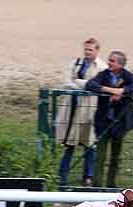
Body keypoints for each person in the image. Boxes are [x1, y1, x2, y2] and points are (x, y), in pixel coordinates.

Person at [86, 50, 133, 188]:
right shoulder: (103, 74)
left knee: (115, 157)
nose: (109, 63)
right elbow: (90, 85)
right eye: (109, 60)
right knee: (100, 156)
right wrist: (109, 90)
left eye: (112, 61)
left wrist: (122, 92)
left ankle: (111, 185)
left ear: (121, 64)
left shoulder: (127, 75)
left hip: (120, 123)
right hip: (103, 122)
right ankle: (97, 186)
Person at [56, 37, 108, 188]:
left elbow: (98, 85)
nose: (87, 52)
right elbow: (67, 81)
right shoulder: (76, 63)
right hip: (72, 107)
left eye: (90, 50)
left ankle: (88, 177)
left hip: (90, 109)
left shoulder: (101, 67)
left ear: (97, 50)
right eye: (86, 49)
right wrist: (83, 85)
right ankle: (63, 176)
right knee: (69, 144)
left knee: (89, 144)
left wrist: (79, 83)